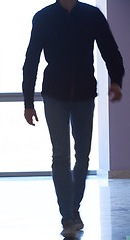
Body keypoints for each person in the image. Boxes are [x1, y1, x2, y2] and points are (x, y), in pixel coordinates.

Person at [22, 0, 124, 237]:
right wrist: (28, 101)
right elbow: (31, 59)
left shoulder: (91, 14)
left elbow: (109, 49)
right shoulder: (44, 17)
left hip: (84, 93)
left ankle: (73, 208)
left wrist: (116, 80)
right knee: (60, 155)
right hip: (54, 94)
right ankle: (67, 215)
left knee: (83, 156)